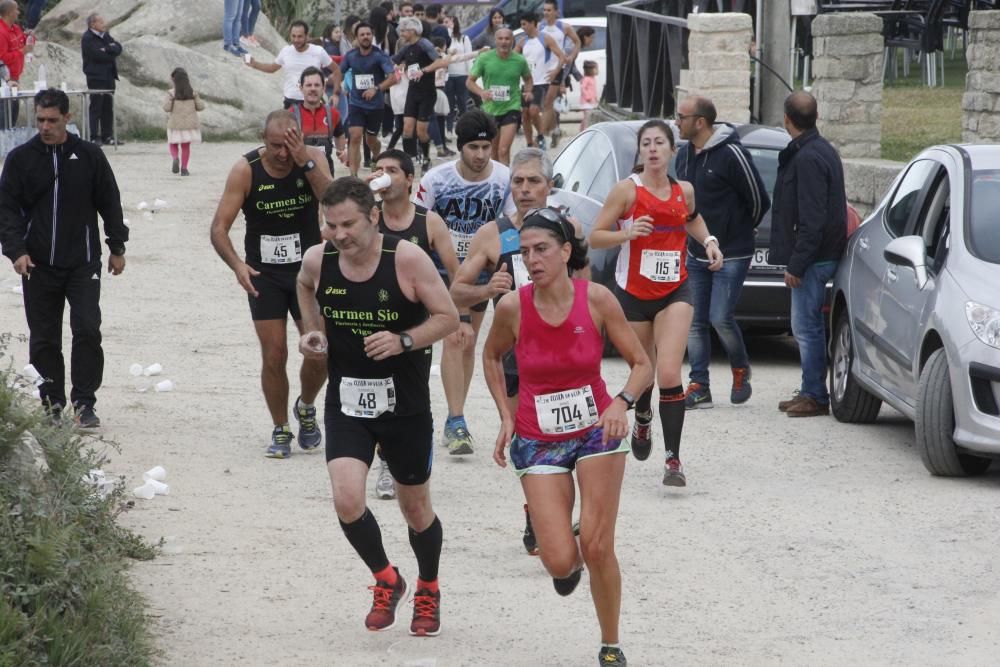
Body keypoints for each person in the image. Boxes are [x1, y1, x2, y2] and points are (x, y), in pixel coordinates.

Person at [483, 207, 652, 667]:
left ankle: (610, 644)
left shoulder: (597, 299)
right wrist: (506, 415)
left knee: (597, 545)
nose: (533, 259)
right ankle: (567, 560)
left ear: (563, 251)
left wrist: (621, 402)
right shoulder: (514, 307)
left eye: (541, 250)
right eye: (525, 252)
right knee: (558, 560)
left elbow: (642, 364)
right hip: (538, 437)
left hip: (597, 429)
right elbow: (492, 357)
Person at [296, 176, 459, 636]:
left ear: (373, 216)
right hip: (346, 400)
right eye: (331, 225)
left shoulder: (406, 259)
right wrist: (313, 331)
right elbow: (304, 286)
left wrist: (404, 339)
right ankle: (387, 579)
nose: (339, 234)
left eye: (348, 224)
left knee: (415, 508)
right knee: (347, 501)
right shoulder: (319, 259)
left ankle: (428, 586)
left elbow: (447, 317)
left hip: (404, 405)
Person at [589, 119, 723, 487]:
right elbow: (594, 237)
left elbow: (691, 220)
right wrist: (627, 232)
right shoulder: (626, 192)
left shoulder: (685, 190)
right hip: (632, 296)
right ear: (640, 151)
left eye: (659, 142)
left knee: (667, 372)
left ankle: (673, 459)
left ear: (671, 150)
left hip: (674, 291)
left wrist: (709, 240)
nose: (652, 148)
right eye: (646, 143)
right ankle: (643, 414)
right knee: (643, 370)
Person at [0, 88, 128, 427]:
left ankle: (84, 403)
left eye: (52, 120)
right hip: (37, 264)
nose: (45, 126)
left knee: (87, 329)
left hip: (83, 261)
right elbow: (7, 211)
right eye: (40, 120)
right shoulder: (20, 159)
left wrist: (117, 246)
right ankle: (52, 406)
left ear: (67, 119)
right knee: (44, 338)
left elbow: (109, 201)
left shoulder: (89, 156)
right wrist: (16, 251)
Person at [209, 110, 334, 458]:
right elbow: (218, 228)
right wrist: (237, 266)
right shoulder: (246, 169)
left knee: (319, 349)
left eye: (289, 144)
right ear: (264, 141)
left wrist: (304, 162)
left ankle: (306, 407)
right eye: (276, 146)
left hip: (307, 273)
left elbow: (334, 202)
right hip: (264, 274)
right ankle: (281, 428)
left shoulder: (314, 158)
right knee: (274, 354)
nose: (283, 153)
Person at [414, 110, 510, 456]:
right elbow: (417, 224)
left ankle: (456, 415)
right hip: (438, 271)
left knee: (465, 343)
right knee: (456, 335)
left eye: (486, 146)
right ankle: (455, 420)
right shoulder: (436, 180)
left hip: (480, 273)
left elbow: (509, 230)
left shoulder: (505, 179)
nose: (481, 154)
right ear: (460, 147)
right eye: (473, 147)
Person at [369, 148, 460, 499]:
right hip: (370, 318)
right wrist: (362, 194)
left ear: (410, 180)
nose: (384, 174)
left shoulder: (429, 222)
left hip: (416, 327)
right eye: (378, 168)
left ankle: (410, 462)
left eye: (392, 169)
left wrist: (460, 317)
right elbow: (331, 236)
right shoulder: (366, 216)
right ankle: (385, 462)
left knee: (412, 396)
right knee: (375, 395)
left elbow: (455, 273)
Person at [674, 95, 769, 409]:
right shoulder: (684, 154)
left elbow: (759, 199)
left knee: (719, 317)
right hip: (695, 250)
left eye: (681, 117)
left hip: (733, 250)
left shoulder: (731, 153)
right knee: (695, 321)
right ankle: (699, 385)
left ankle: (740, 368)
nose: (677, 122)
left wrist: (739, 229)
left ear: (700, 122)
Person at [770, 91, 847, 418]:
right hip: (815, 255)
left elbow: (813, 219)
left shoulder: (809, 158)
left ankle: (815, 395)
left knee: (806, 327)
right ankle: (808, 388)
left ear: (787, 119)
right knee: (806, 325)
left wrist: (797, 263)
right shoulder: (817, 150)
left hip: (814, 258)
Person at [466, 26, 531, 166]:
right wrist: (482, 92)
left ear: (512, 41)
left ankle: (506, 183)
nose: (504, 42)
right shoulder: (485, 58)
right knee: (493, 152)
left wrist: (528, 91)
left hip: (511, 107)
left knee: (503, 150)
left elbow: (528, 79)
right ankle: (496, 180)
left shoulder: (519, 60)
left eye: (507, 39)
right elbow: (469, 82)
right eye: (500, 39)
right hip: (491, 110)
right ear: (495, 41)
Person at [339, 21, 395, 176]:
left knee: (371, 140)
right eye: (362, 34)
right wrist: (333, 86)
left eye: (368, 34)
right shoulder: (351, 56)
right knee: (355, 136)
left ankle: (377, 157)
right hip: (356, 103)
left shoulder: (379, 56)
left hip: (375, 105)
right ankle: (353, 175)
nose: (365, 37)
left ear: (372, 36)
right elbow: (339, 72)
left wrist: (376, 88)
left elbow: (393, 78)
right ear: (356, 37)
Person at [392, 16, 448, 171]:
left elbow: (440, 62)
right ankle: (409, 159)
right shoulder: (406, 47)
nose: (401, 33)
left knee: (421, 131)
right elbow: (394, 61)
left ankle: (426, 158)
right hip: (413, 92)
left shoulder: (424, 44)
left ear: (413, 31)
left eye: (404, 30)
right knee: (407, 128)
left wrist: (423, 71)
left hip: (427, 93)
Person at [246, 20, 340, 110]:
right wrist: (254, 64)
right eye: (293, 36)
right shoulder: (286, 51)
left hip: (313, 102)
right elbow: (272, 68)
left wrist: (335, 94)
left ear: (307, 36)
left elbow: (336, 70)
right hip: (290, 102)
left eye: (300, 36)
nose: (296, 40)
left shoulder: (318, 51)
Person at [515, 12, 564, 151]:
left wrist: (555, 71)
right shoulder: (522, 42)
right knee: (524, 114)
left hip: (541, 82)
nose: (522, 27)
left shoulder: (546, 39)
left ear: (532, 23)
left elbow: (561, 56)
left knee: (534, 111)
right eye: (521, 24)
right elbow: (512, 57)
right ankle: (530, 144)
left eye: (524, 24)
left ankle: (541, 136)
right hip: (525, 84)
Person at [290, 66, 347, 174]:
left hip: (325, 171)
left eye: (317, 85)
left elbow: (339, 134)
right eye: (308, 85)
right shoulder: (291, 114)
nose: (313, 88)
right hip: (298, 172)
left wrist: (341, 151)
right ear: (301, 88)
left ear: (323, 88)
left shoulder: (333, 114)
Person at [538, 0, 580, 148]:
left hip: (556, 69)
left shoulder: (564, 27)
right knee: (545, 104)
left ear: (556, 12)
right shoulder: (540, 27)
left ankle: (543, 136)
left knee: (549, 102)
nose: (546, 13)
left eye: (549, 10)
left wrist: (571, 57)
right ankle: (554, 130)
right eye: (544, 10)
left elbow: (577, 42)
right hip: (540, 69)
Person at [81, 13, 123, 145]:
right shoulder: (88, 38)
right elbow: (97, 55)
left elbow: (118, 48)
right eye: (101, 22)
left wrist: (108, 48)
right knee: (96, 106)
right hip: (96, 77)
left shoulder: (105, 35)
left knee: (107, 107)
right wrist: (110, 53)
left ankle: (107, 136)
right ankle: (93, 136)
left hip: (109, 76)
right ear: (93, 24)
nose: (104, 24)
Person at [162, 67, 205, 177]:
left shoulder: (171, 93)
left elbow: (166, 108)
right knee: (186, 147)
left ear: (174, 79)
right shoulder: (192, 93)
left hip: (175, 124)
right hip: (189, 125)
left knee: (173, 143)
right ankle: (184, 169)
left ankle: (175, 157)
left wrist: (171, 101)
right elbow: (201, 107)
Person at [0, 0, 29, 130]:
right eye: (16, 9)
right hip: (4, 80)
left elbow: (24, 42)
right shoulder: (1, 32)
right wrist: (22, 52)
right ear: (9, 13)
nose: (19, 12)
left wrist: (30, 40)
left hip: (15, 78)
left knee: (14, 112)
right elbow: (2, 58)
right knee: (4, 116)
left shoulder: (16, 28)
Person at [443, 15, 472, 135]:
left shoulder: (464, 38)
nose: (447, 24)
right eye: (445, 22)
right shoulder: (443, 39)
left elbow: (469, 57)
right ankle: (449, 129)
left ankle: (464, 129)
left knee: (462, 103)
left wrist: (470, 75)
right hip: (448, 75)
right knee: (449, 104)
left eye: (449, 22)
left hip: (462, 75)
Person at [578, 60, 597, 131]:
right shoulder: (586, 79)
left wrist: (595, 98)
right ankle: (585, 130)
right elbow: (583, 88)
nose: (597, 71)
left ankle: (582, 130)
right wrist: (588, 97)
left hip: (591, 102)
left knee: (586, 117)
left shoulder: (592, 78)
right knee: (587, 118)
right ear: (590, 70)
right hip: (586, 102)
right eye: (595, 69)